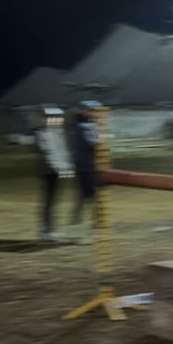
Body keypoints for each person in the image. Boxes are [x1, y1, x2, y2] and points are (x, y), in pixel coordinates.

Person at [34, 106, 73, 242]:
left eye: (58, 118)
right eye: (52, 118)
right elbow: (49, 153)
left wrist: (67, 168)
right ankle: (47, 231)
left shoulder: (59, 132)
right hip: (49, 171)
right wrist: (60, 168)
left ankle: (51, 230)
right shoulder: (41, 133)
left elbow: (63, 151)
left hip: (58, 171)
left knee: (54, 201)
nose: (56, 120)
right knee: (49, 202)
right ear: (45, 119)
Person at [70, 101, 100, 243]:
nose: (95, 114)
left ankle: (77, 222)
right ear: (86, 111)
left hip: (84, 165)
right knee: (92, 196)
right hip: (86, 165)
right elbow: (92, 144)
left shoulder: (82, 124)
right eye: (92, 111)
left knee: (84, 195)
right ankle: (91, 226)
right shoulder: (84, 126)